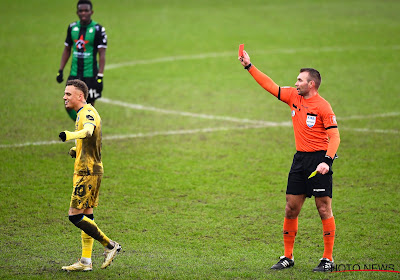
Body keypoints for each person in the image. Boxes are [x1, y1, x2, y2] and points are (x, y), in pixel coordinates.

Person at [238, 49, 340, 272]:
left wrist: (327, 161)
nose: (296, 83)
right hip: (299, 160)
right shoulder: (293, 97)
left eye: (300, 80)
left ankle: (327, 259)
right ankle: (287, 257)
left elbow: (335, 136)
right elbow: (270, 85)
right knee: (291, 208)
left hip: (319, 160)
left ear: (311, 84)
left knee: (323, 209)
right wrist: (249, 66)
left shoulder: (323, 107)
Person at [59, 79, 121, 271]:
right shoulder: (83, 113)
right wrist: (75, 149)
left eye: (68, 94)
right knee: (87, 215)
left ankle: (111, 245)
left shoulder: (87, 113)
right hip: (88, 169)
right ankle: (86, 261)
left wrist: (70, 135)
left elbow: (88, 131)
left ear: (80, 96)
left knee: (74, 216)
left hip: (87, 172)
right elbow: (88, 140)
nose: (64, 97)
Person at [56, 0, 107, 121]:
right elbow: (67, 49)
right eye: (81, 11)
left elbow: (102, 54)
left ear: (91, 12)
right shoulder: (72, 27)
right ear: (77, 12)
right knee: (68, 104)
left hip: (90, 74)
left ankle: (87, 131)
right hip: (74, 74)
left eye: (86, 10)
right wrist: (61, 70)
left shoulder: (98, 29)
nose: (83, 13)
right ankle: (83, 124)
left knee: (89, 106)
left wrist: (100, 76)